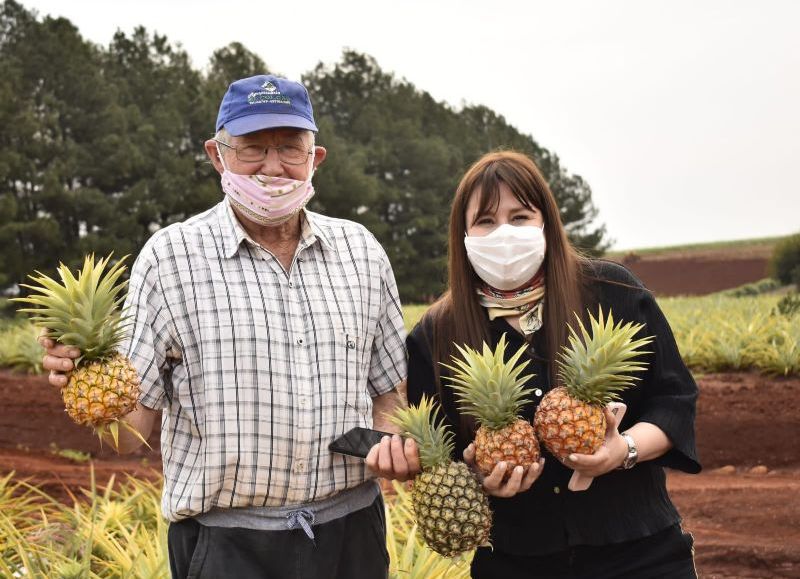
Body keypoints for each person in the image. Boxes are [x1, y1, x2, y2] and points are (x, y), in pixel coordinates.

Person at [40, 74, 410, 579]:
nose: (273, 167)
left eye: (289, 149)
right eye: (252, 149)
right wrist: (88, 380)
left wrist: (391, 444)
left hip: (351, 535)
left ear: (315, 158)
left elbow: (391, 394)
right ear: (217, 155)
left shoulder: (362, 252)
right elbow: (133, 437)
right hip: (226, 546)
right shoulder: (169, 258)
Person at [399, 150, 701, 578]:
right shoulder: (435, 334)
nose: (503, 232)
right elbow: (439, 458)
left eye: (520, 216)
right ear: (463, 234)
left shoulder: (612, 292)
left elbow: (674, 399)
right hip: (516, 560)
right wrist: (476, 475)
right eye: (485, 221)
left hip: (640, 552)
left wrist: (623, 450)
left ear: (546, 222)